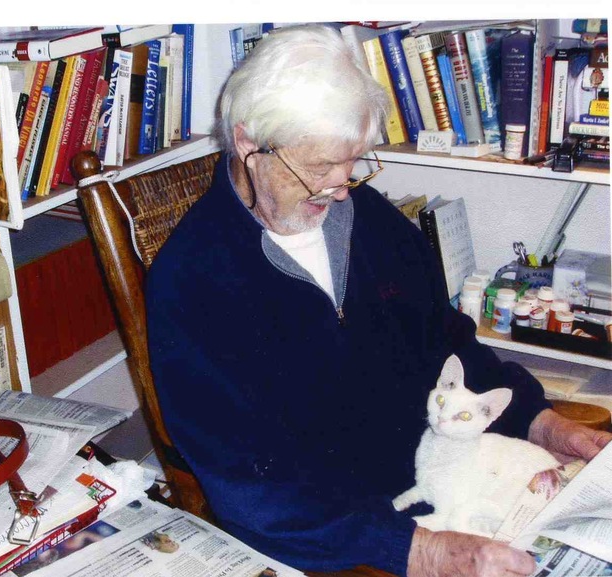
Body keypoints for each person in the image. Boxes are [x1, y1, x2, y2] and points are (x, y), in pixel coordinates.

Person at [145, 24, 611, 577]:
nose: (340, 191)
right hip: (345, 537)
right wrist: (421, 551)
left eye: (352, 165)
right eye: (319, 169)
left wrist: (540, 423)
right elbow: (248, 484)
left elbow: (449, 345)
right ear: (249, 146)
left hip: (451, 480)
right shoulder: (191, 280)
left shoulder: (370, 219)